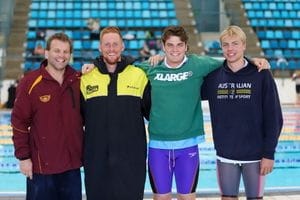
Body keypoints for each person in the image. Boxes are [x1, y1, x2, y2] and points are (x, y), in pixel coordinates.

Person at [82, 26, 269, 200]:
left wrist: (252, 60)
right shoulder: (149, 68)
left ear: (186, 46)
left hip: (188, 147)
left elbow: (230, 58)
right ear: (163, 46)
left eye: (180, 45)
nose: (175, 50)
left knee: (187, 197)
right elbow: (119, 69)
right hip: (158, 147)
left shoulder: (199, 64)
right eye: (170, 45)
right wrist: (94, 65)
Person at [201, 26, 283, 200]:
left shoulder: (261, 74)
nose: (230, 49)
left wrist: (269, 153)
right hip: (225, 154)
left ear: (244, 45)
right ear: (221, 47)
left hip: (256, 155)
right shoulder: (213, 77)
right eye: (226, 45)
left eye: (235, 44)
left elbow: (274, 117)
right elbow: (186, 84)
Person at [80, 26, 151, 200]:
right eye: (107, 44)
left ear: (122, 46)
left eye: (115, 44)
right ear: (100, 47)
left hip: (131, 160)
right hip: (96, 161)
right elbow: (76, 120)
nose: (111, 48)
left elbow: (153, 115)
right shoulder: (86, 78)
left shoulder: (139, 76)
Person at [11, 33, 83, 200]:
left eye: (66, 52)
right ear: (46, 53)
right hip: (41, 168)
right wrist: (23, 157)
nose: (61, 56)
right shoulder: (30, 82)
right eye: (57, 50)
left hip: (71, 167)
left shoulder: (77, 80)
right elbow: (18, 121)